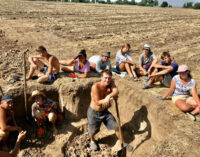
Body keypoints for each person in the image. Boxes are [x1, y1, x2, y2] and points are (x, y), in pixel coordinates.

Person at [87, 70, 120, 151]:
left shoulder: (111, 83)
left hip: (104, 112)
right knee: (92, 130)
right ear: (101, 77)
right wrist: (110, 98)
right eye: (105, 78)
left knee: (116, 126)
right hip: (94, 112)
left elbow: (116, 91)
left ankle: (122, 142)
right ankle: (92, 141)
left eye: (109, 78)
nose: (107, 80)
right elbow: (97, 102)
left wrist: (108, 97)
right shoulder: (95, 87)